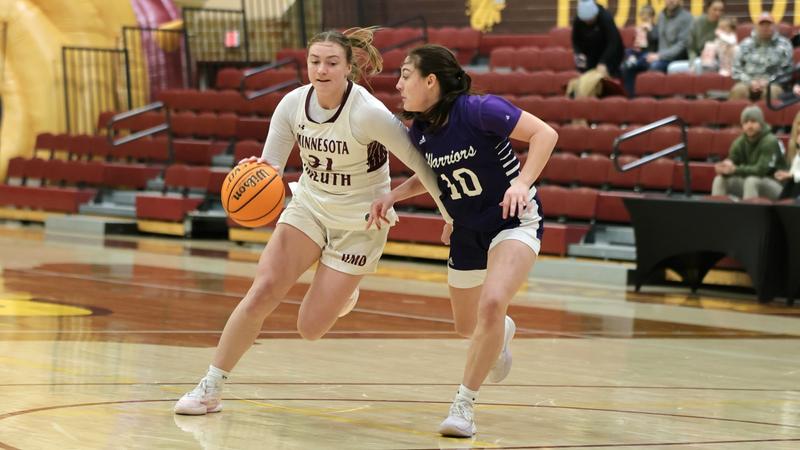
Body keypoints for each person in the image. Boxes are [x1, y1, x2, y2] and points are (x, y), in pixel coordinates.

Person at [173, 28, 451, 415]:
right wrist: (253, 171)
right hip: (310, 207)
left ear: (349, 68)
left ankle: (345, 292)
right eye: (315, 62)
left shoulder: (368, 113)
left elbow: (424, 165)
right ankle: (210, 387)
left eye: (332, 62)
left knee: (310, 328)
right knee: (263, 289)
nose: (322, 70)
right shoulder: (291, 105)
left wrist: (449, 215)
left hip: (359, 223)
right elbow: (270, 167)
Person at [368, 44, 557, 437]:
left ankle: (463, 406)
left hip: (512, 221)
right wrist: (392, 196)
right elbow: (433, 175)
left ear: (430, 80)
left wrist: (522, 183)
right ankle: (501, 331)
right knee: (466, 326)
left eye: (405, 74)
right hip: (466, 230)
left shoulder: (480, 109)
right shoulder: (421, 130)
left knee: (491, 302)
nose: (398, 83)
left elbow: (545, 134)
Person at [711, 105, 787, 200]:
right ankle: (716, 213)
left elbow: (760, 170)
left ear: (761, 123)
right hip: (749, 182)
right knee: (719, 179)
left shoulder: (770, 141)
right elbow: (732, 160)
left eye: (753, 121)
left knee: (751, 181)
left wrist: (734, 170)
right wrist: (725, 166)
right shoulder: (739, 142)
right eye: (745, 122)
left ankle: (749, 214)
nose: (749, 126)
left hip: (776, 185)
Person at [620, 0, 693, 96]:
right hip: (656, 55)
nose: (670, 1)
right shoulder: (662, 15)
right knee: (628, 66)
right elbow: (657, 38)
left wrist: (659, 56)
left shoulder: (687, 18)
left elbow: (682, 45)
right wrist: (646, 34)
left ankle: (654, 103)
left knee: (655, 66)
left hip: (674, 58)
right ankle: (631, 101)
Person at [730, 12, 793, 101]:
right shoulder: (745, 44)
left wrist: (768, 81)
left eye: (768, 25)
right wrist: (750, 82)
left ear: (774, 27)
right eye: (762, 25)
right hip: (747, 81)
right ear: (756, 27)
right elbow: (736, 70)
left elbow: (787, 71)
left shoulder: (784, 45)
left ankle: (769, 115)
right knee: (738, 90)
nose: (765, 28)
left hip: (773, 83)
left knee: (772, 91)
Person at [667, 0, 725, 74]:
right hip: (698, 59)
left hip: (717, 61)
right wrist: (692, 63)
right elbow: (691, 48)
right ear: (708, 8)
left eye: (721, 10)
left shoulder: (725, 25)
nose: (718, 13)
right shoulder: (697, 22)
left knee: (702, 65)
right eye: (715, 9)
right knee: (672, 68)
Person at [571, 0, 624, 78]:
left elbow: (613, 42)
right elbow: (576, 42)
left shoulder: (605, 18)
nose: (588, 23)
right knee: (583, 74)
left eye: (590, 20)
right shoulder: (578, 20)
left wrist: (603, 62)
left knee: (603, 74)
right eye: (585, 21)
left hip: (609, 53)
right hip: (590, 53)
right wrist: (579, 57)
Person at [622, 4, 658, 71]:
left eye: (646, 19)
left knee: (644, 57)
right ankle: (632, 60)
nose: (645, 22)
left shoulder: (655, 28)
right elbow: (637, 44)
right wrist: (637, 41)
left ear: (652, 18)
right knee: (628, 51)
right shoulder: (640, 28)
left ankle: (634, 63)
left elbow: (655, 39)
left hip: (649, 51)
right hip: (640, 51)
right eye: (643, 20)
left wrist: (649, 31)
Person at [776, 110, 800, 199]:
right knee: (791, 183)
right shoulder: (793, 145)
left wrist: (792, 175)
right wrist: (787, 174)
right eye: (799, 124)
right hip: (794, 184)